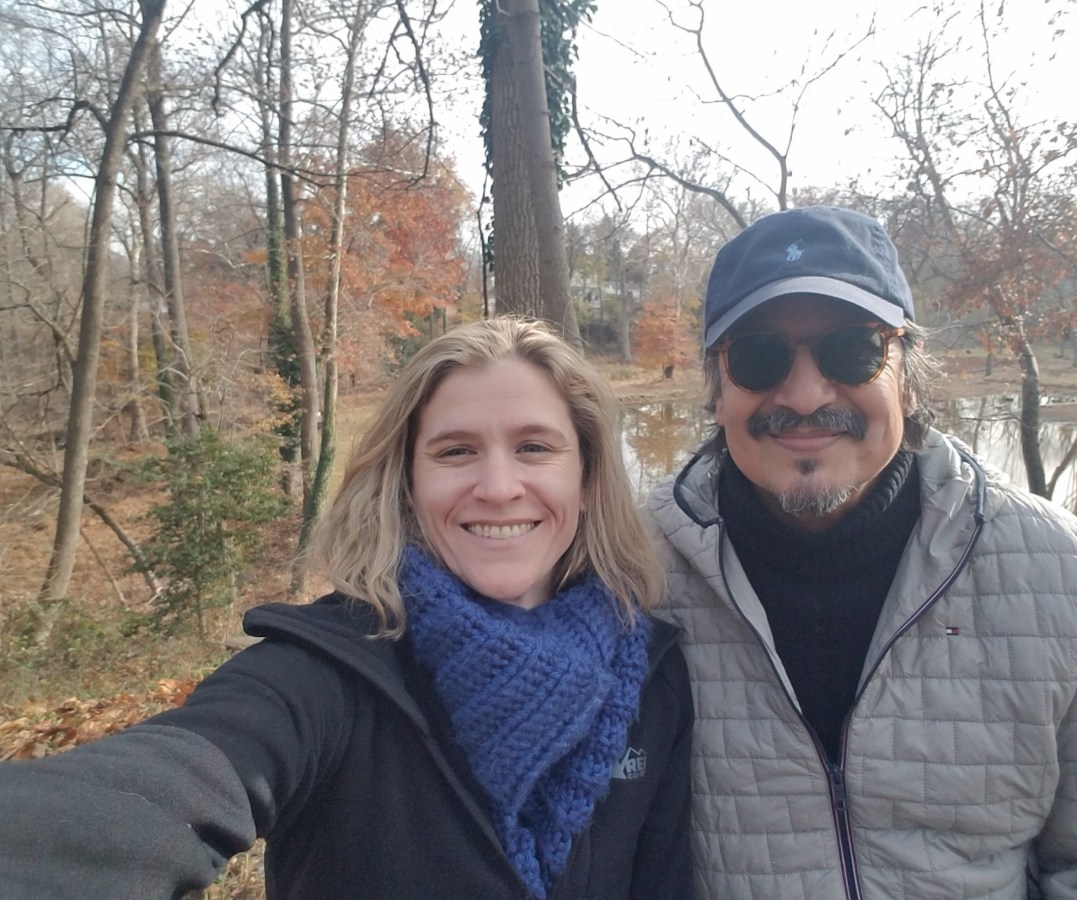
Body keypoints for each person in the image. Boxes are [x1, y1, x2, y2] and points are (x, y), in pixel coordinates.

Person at [0, 318, 693, 899]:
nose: (498, 486)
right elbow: (155, 790)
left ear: (588, 474)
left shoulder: (653, 674)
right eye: (456, 451)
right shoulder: (326, 672)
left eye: (534, 447)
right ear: (407, 482)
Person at [646, 206, 1077, 899]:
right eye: (758, 356)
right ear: (717, 387)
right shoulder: (629, 571)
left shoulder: (1058, 570)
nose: (808, 393)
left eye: (853, 349)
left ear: (906, 373)